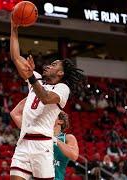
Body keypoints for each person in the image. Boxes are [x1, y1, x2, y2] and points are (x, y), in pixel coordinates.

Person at [9, 18, 84, 179]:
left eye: (54, 64)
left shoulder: (63, 89)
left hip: (42, 145)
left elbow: (45, 98)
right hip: (23, 143)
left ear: (60, 73)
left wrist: (31, 78)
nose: (49, 65)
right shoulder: (35, 80)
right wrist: (14, 29)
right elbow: (16, 57)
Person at [11, 111, 79, 180]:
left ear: (60, 121)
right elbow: (14, 114)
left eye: (51, 115)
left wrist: (54, 139)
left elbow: (74, 155)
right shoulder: (37, 134)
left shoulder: (67, 138)